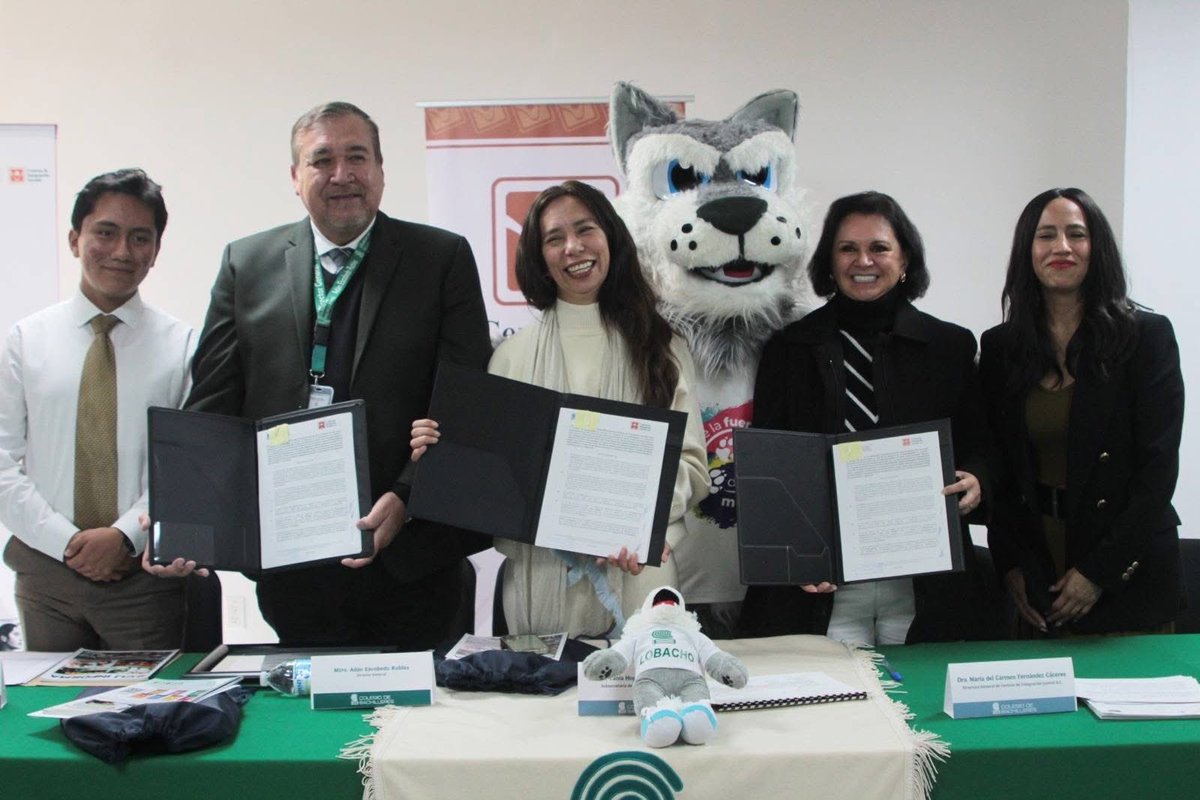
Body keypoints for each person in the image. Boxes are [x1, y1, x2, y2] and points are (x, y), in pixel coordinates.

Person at [173, 102, 492, 648]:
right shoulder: (245, 264)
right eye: (322, 160)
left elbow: (464, 400)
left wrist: (405, 496)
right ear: (296, 178)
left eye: (357, 157)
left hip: (414, 559)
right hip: (293, 564)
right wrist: (187, 523)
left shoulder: (439, 258)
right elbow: (213, 406)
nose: (342, 175)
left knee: (424, 729)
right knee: (309, 724)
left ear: (382, 170)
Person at [410, 181, 709, 638]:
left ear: (610, 238)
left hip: (637, 574)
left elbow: (690, 466)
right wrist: (440, 452)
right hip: (539, 585)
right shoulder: (510, 358)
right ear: (540, 257)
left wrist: (636, 525)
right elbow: (496, 480)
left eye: (585, 229)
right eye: (554, 238)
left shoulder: (659, 348)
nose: (573, 247)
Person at [739, 191, 997, 645]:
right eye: (848, 248)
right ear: (830, 260)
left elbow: (983, 444)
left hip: (925, 579)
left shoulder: (951, 348)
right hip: (823, 585)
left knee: (919, 704)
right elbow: (770, 463)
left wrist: (977, 478)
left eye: (879, 247)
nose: (864, 260)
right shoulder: (788, 349)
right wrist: (796, 558)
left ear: (905, 259)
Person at [0, 169, 195, 650]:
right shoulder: (26, 341)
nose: (122, 252)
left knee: (147, 717)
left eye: (139, 237)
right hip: (46, 574)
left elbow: (187, 463)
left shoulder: (184, 347)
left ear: (155, 251)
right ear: (75, 238)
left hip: (143, 576)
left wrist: (124, 536)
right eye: (105, 232)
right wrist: (66, 542)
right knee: (46, 719)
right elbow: (3, 462)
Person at [980, 188, 1183, 636]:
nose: (1062, 248)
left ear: (1098, 248)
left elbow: (1158, 470)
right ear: (1027, 251)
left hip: (1128, 570)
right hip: (1038, 573)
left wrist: (1097, 573)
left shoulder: (1145, 338)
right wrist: (1010, 564)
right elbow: (1000, 465)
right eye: (1045, 235)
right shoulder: (1000, 348)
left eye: (1077, 234)